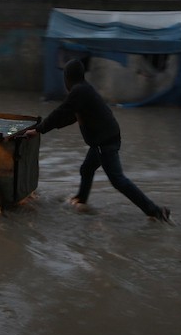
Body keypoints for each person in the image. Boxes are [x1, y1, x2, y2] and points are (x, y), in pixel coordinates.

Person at [22, 59, 171, 222]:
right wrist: (43, 128)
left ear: (68, 78)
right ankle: (81, 199)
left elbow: (61, 112)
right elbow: (69, 116)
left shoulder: (79, 91)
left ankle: (156, 211)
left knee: (118, 180)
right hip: (104, 139)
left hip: (104, 142)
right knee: (86, 169)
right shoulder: (84, 90)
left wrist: (39, 129)